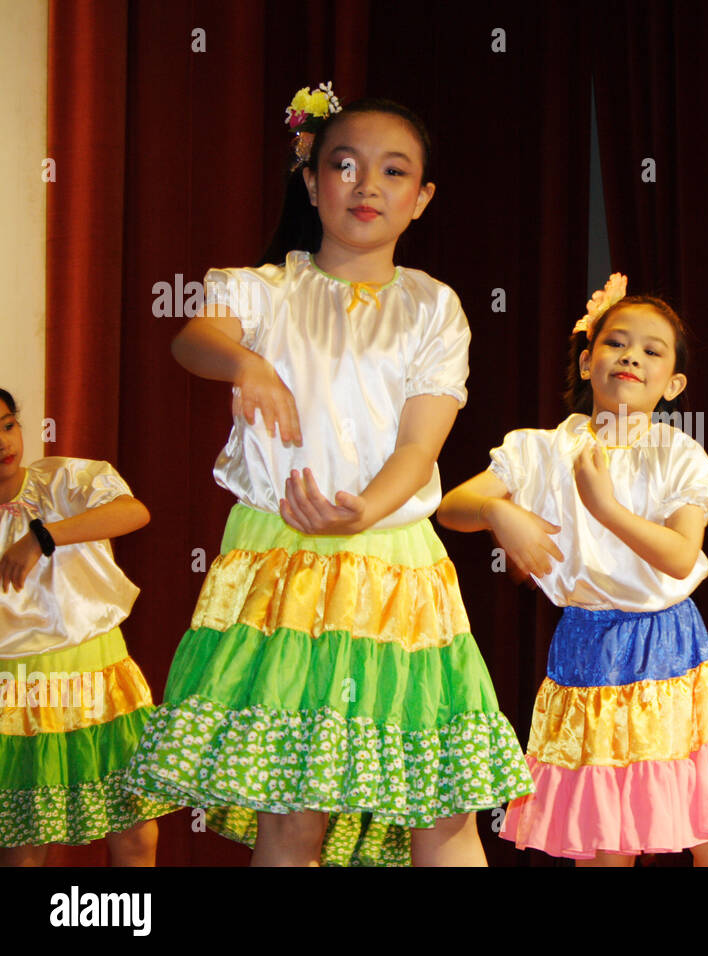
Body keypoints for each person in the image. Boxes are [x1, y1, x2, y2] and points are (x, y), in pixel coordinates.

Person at [124, 86, 531, 866]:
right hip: (282, 562)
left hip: (395, 560)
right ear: (312, 182)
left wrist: (361, 513)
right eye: (344, 165)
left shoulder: (433, 307)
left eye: (392, 171)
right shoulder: (262, 289)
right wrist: (246, 362)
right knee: (292, 807)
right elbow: (193, 338)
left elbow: (419, 448)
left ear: (422, 197)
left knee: (440, 805)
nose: (366, 185)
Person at [438, 274, 708, 865]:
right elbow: (451, 507)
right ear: (589, 359)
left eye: (652, 350)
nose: (631, 356)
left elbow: (678, 556)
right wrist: (498, 511)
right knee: (605, 837)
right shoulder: (540, 449)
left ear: (673, 383)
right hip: (588, 646)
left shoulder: (679, 453)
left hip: (673, 645)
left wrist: (606, 508)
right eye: (617, 343)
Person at [0, 388, 173, 865]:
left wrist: (42, 536)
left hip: (100, 673)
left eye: (7, 425)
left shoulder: (63, 478)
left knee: (136, 833)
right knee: (24, 848)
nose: (2, 442)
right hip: (21, 695)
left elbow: (134, 512)